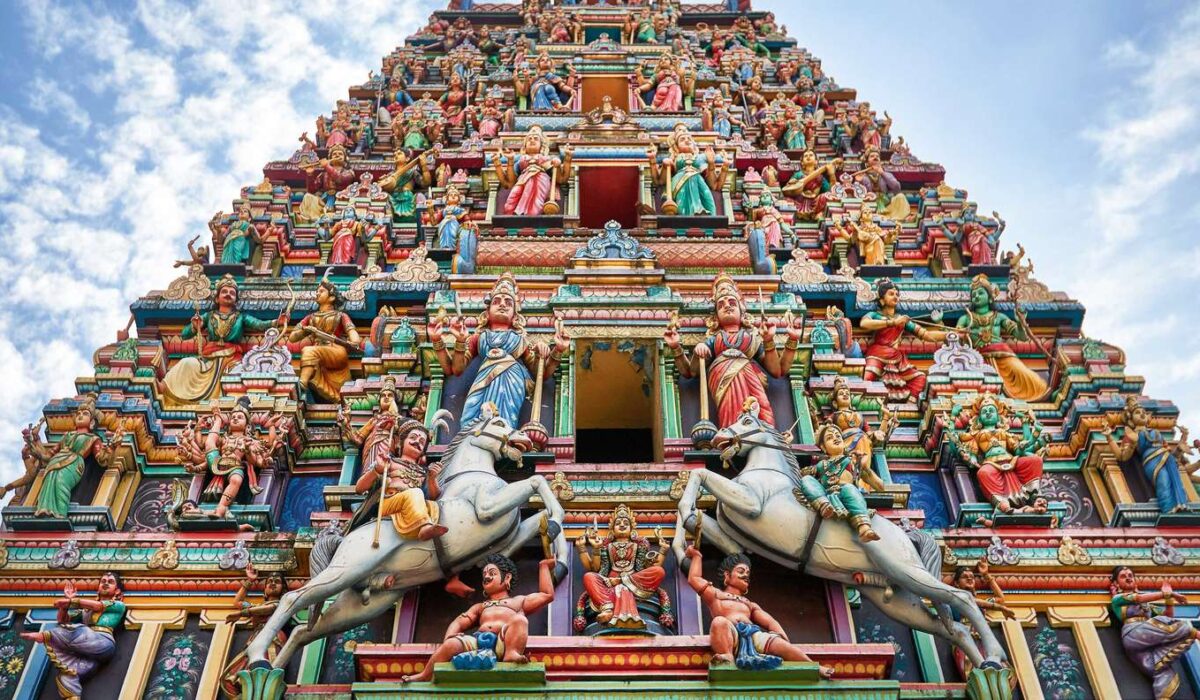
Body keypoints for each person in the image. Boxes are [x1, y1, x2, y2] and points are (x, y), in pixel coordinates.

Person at [431, 273, 568, 427]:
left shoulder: (520, 340)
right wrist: (451, 340)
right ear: (487, 312)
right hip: (483, 381)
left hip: (511, 382)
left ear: (515, 315)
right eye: (497, 301)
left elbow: (540, 373)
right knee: (473, 424)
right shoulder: (479, 337)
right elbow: (456, 369)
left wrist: (557, 350)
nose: (502, 305)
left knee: (504, 422)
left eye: (508, 303)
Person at [665, 273, 800, 428]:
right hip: (723, 379)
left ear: (742, 311)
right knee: (732, 416)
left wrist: (783, 339)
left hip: (751, 379)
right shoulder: (715, 339)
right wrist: (679, 347)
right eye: (721, 305)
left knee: (762, 414)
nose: (727, 306)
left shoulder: (752, 337)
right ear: (716, 316)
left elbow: (777, 371)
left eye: (731, 302)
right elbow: (691, 372)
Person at [402, 555, 557, 683]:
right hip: (478, 642)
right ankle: (425, 675)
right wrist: (451, 635)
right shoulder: (480, 607)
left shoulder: (518, 602)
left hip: (503, 642)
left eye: (492, 573)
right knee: (450, 644)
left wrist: (543, 566)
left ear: (507, 577)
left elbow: (546, 595)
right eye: (485, 574)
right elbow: (459, 621)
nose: (487, 577)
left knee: (520, 620)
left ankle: (512, 653)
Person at [684, 547, 833, 677]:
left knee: (781, 644)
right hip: (731, 633)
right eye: (740, 571)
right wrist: (697, 556)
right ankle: (728, 655)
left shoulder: (749, 604)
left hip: (753, 634)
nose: (745, 575)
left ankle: (814, 667)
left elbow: (770, 622)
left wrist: (781, 637)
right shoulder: (716, 595)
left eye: (747, 573)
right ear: (727, 576)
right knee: (719, 622)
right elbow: (694, 579)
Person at [160, 275, 285, 405]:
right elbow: (184, 335)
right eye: (224, 292)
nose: (228, 295)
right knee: (187, 363)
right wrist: (194, 326)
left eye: (232, 293)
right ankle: (163, 387)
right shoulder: (209, 316)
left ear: (236, 300)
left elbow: (259, 325)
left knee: (240, 374)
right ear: (216, 298)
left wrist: (277, 322)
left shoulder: (241, 317)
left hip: (232, 359)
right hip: (209, 358)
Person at [22, 572, 127, 699]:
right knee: (67, 675)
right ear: (98, 587)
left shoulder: (118, 606)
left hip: (102, 642)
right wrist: (64, 606)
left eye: (110, 582)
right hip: (88, 653)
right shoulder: (86, 611)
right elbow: (63, 620)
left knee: (78, 629)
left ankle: (45, 636)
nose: (105, 583)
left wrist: (70, 602)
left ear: (117, 591)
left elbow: (98, 606)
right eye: (103, 581)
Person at [24, 394, 124, 519]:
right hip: (55, 462)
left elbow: (102, 459)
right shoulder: (67, 435)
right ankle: (44, 510)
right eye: (79, 413)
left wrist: (113, 446)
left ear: (92, 422)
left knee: (61, 482)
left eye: (85, 413)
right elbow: (49, 455)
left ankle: (59, 513)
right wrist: (35, 449)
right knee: (50, 481)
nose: (81, 415)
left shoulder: (93, 439)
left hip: (74, 463)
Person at [575, 504, 672, 631]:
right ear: (612, 530)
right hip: (609, 584)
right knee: (589, 577)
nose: (622, 525)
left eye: (626, 523)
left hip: (634, 582)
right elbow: (595, 568)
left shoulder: (638, 546)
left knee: (658, 571)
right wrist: (590, 548)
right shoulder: (607, 546)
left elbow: (647, 569)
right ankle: (607, 608)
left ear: (632, 530)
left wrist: (663, 549)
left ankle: (618, 591)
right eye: (618, 523)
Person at [1110, 566, 1200, 699]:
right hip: (1134, 632)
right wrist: (1169, 594)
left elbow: (1168, 616)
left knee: (1162, 671)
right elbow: (1139, 599)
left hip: (1145, 640)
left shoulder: (1148, 606)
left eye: (1130, 575)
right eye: (1123, 576)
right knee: (1179, 625)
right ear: (1116, 584)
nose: (1128, 577)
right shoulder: (1118, 599)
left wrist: (1169, 601)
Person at [955, 274, 1048, 402]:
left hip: (1003, 354)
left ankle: (1039, 391)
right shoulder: (965, 318)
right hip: (977, 359)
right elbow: (955, 337)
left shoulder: (999, 317)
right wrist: (946, 327)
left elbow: (1021, 337)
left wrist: (1020, 323)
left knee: (1023, 373)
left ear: (990, 298)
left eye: (980, 293)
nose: (976, 296)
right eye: (973, 295)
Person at [1103, 396, 1199, 514]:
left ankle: (1181, 505)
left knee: (1175, 481)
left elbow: (1171, 453)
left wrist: (1181, 443)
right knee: (1163, 481)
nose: (1142, 415)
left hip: (1168, 459)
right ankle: (1168, 509)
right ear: (1130, 419)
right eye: (1138, 413)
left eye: (1144, 412)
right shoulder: (1131, 434)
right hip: (1151, 461)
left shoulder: (1156, 432)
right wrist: (1109, 437)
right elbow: (1122, 456)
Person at [859, 278, 945, 402]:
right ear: (882, 299)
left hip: (896, 358)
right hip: (877, 354)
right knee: (867, 377)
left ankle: (909, 405)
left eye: (897, 294)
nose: (895, 297)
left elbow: (925, 335)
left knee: (920, 378)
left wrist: (948, 334)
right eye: (891, 293)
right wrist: (893, 322)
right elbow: (864, 323)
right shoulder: (875, 315)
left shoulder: (902, 320)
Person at [797, 423, 880, 542]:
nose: (835, 438)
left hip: (846, 494)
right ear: (823, 447)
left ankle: (864, 528)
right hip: (825, 496)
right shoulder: (821, 465)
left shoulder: (852, 461)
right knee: (807, 479)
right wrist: (786, 442)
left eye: (838, 436)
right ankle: (824, 506)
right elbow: (799, 474)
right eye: (829, 438)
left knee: (849, 489)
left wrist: (865, 468)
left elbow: (880, 486)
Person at [288, 277, 361, 402]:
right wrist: (306, 330)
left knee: (308, 351)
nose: (317, 293)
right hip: (319, 350)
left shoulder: (340, 316)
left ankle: (302, 384)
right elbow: (292, 338)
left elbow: (355, 338)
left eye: (321, 291)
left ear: (331, 297)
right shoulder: (311, 317)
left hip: (336, 350)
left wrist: (353, 342)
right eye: (317, 291)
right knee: (310, 351)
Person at [220, 563, 287, 697]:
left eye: (277, 582)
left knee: (265, 670)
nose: (272, 584)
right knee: (230, 677)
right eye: (269, 582)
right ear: (264, 590)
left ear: (283, 590)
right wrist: (250, 581)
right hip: (255, 640)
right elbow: (237, 602)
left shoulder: (282, 604)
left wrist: (242, 614)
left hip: (272, 638)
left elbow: (267, 609)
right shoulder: (257, 606)